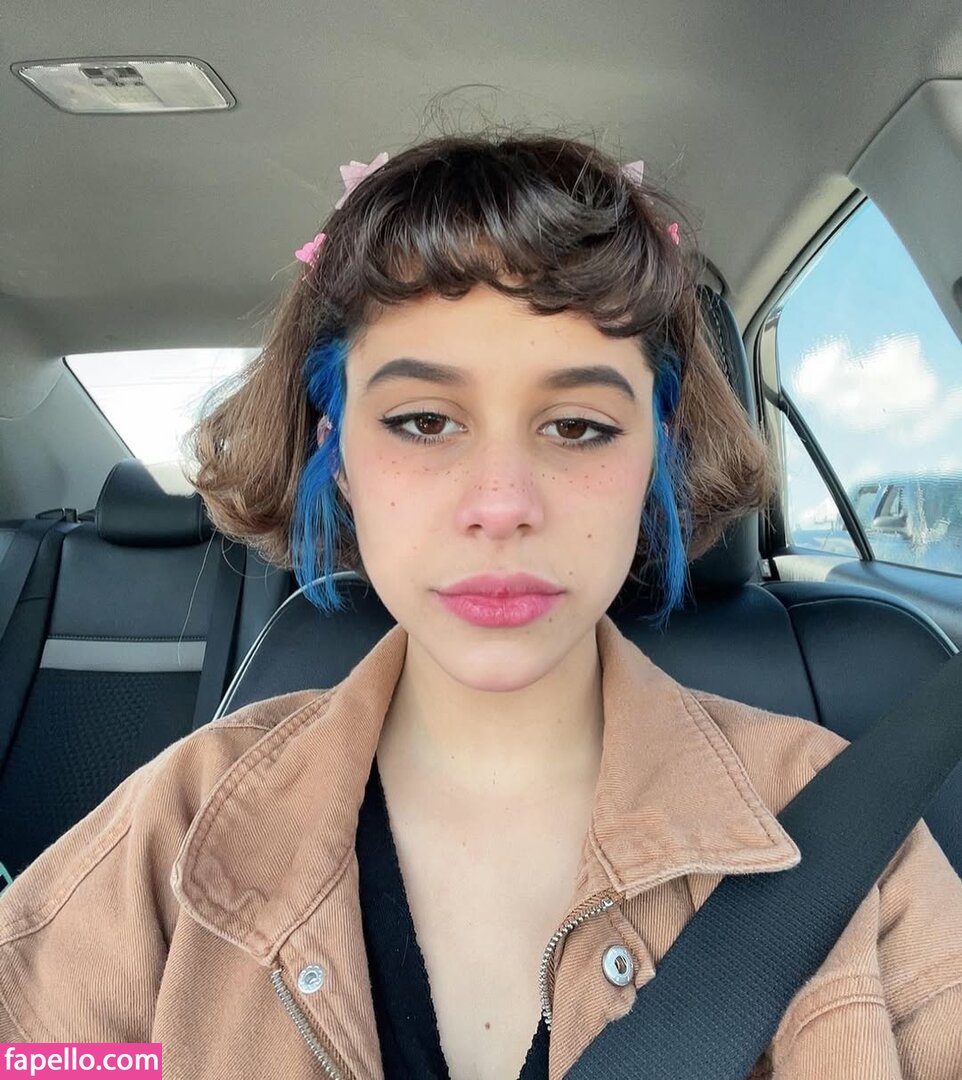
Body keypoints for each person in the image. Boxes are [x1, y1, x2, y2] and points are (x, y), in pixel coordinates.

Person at [1, 132, 961, 1080]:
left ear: (656, 454)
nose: (501, 505)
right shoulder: (179, 827)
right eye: (423, 421)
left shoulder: (838, 832)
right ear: (338, 453)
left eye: (578, 426)